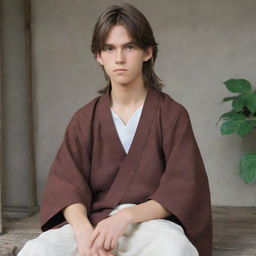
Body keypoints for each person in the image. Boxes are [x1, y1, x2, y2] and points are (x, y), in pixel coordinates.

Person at [18, 3, 212, 256]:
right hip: (92, 224)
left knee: (175, 249)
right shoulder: (84, 119)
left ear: (147, 52)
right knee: (36, 250)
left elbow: (183, 188)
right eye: (109, 49)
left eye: (129, 47)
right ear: (99, 56)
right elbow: (66, 186)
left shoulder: (172, 115)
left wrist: (125, 217)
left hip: (149, 227)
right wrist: (84, 232)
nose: (119, 58)